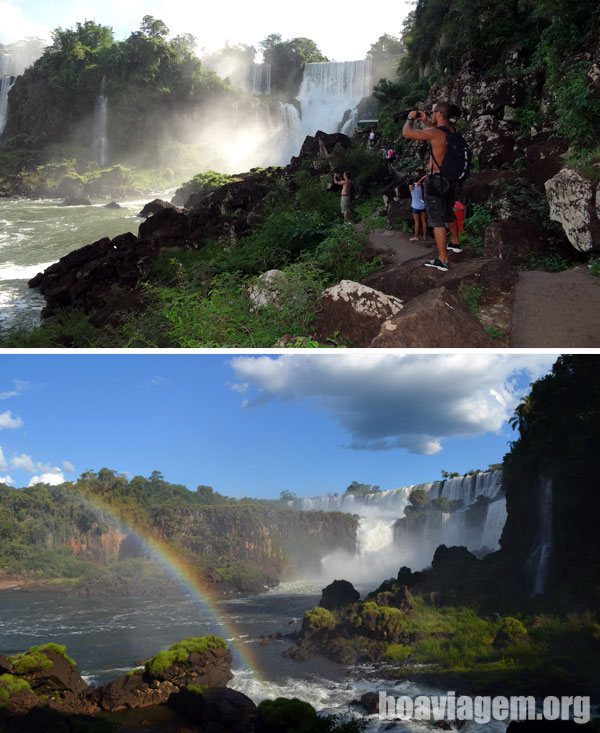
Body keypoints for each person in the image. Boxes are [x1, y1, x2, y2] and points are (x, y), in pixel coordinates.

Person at [402, 102, 462, 272]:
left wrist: (410, 118)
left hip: (436, 181)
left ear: (439, 114)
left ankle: (442, 259)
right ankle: (455, 243)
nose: (432, 114)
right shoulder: (452, 131)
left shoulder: (435, 132)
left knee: (437, 220)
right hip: (450, 180)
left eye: (434, 111)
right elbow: (437, 133)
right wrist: (427, 121)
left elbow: (406, 132)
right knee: (449, 212)